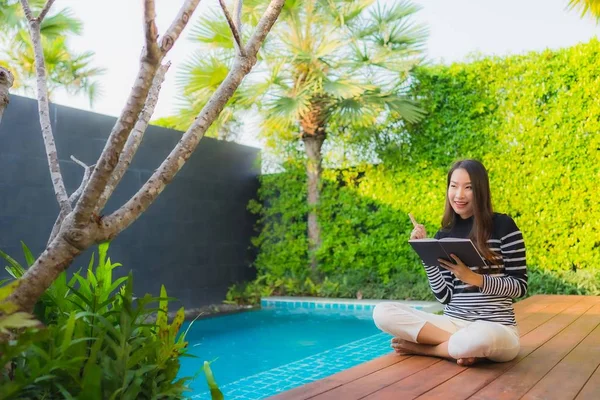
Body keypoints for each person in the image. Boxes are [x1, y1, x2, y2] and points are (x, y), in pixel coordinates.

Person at [372, 159, 527, 366]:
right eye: (453, 186)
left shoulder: (504, 226)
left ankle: (425, 349)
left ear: (481, 190)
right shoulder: (444, 234)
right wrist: (426, 254)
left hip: (495, 327)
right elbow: (444, 296)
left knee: (476, 338)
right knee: (382, 313)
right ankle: (456, 348)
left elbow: (520, 287)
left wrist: (475, 279)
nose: (459, 195)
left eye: (468, 187)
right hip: (452, 323)